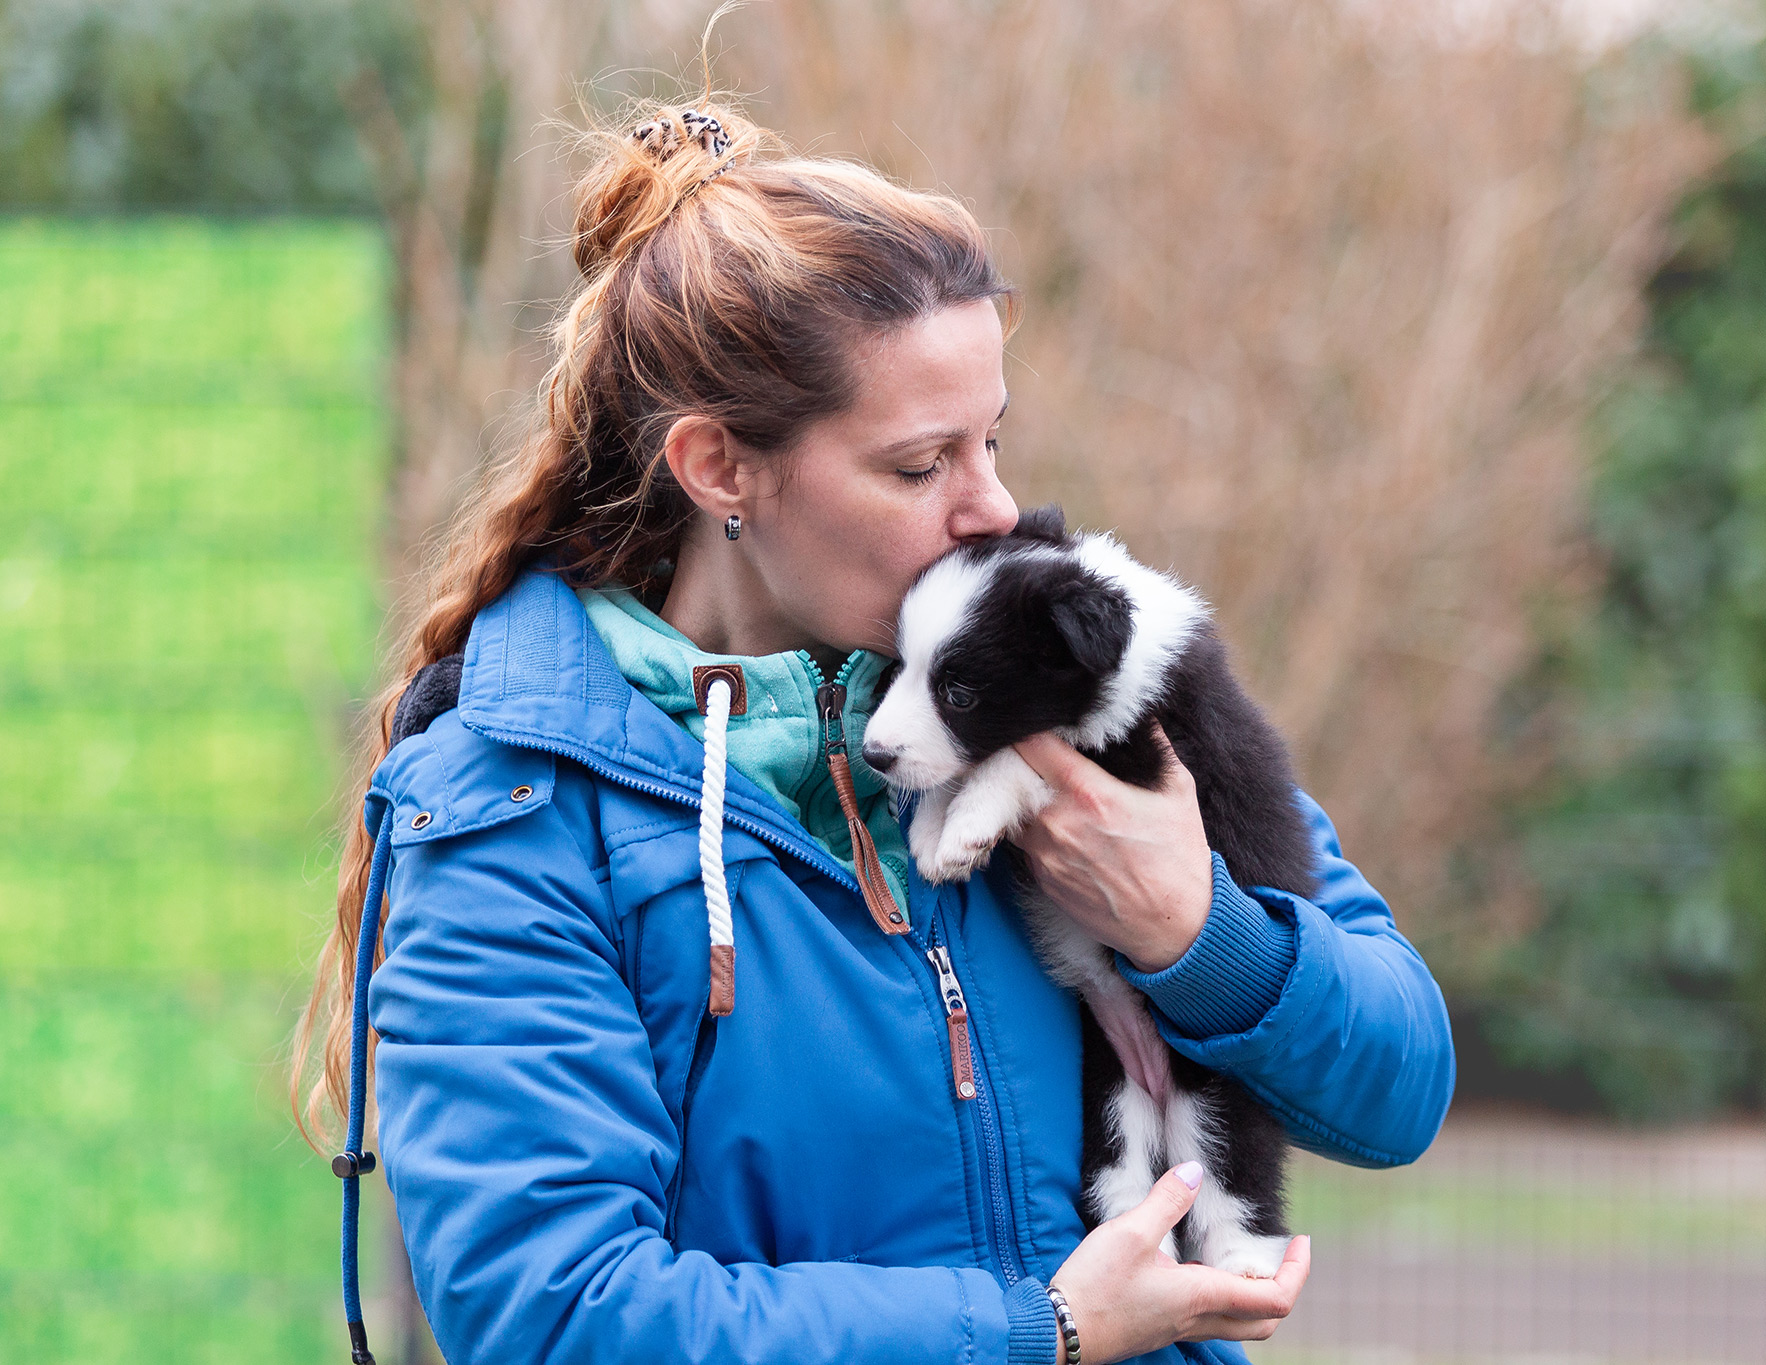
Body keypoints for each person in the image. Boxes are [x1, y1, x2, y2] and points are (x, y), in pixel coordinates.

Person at [294, 97, 1455, 1365]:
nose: (992, 508)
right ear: (719, 469)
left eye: (993, 441)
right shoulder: (513, 804)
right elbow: (551, 1318)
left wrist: (1197, 937)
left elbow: (1399, 1088)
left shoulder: (1044, 673)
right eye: (920, 466)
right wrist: (1041, 1330)